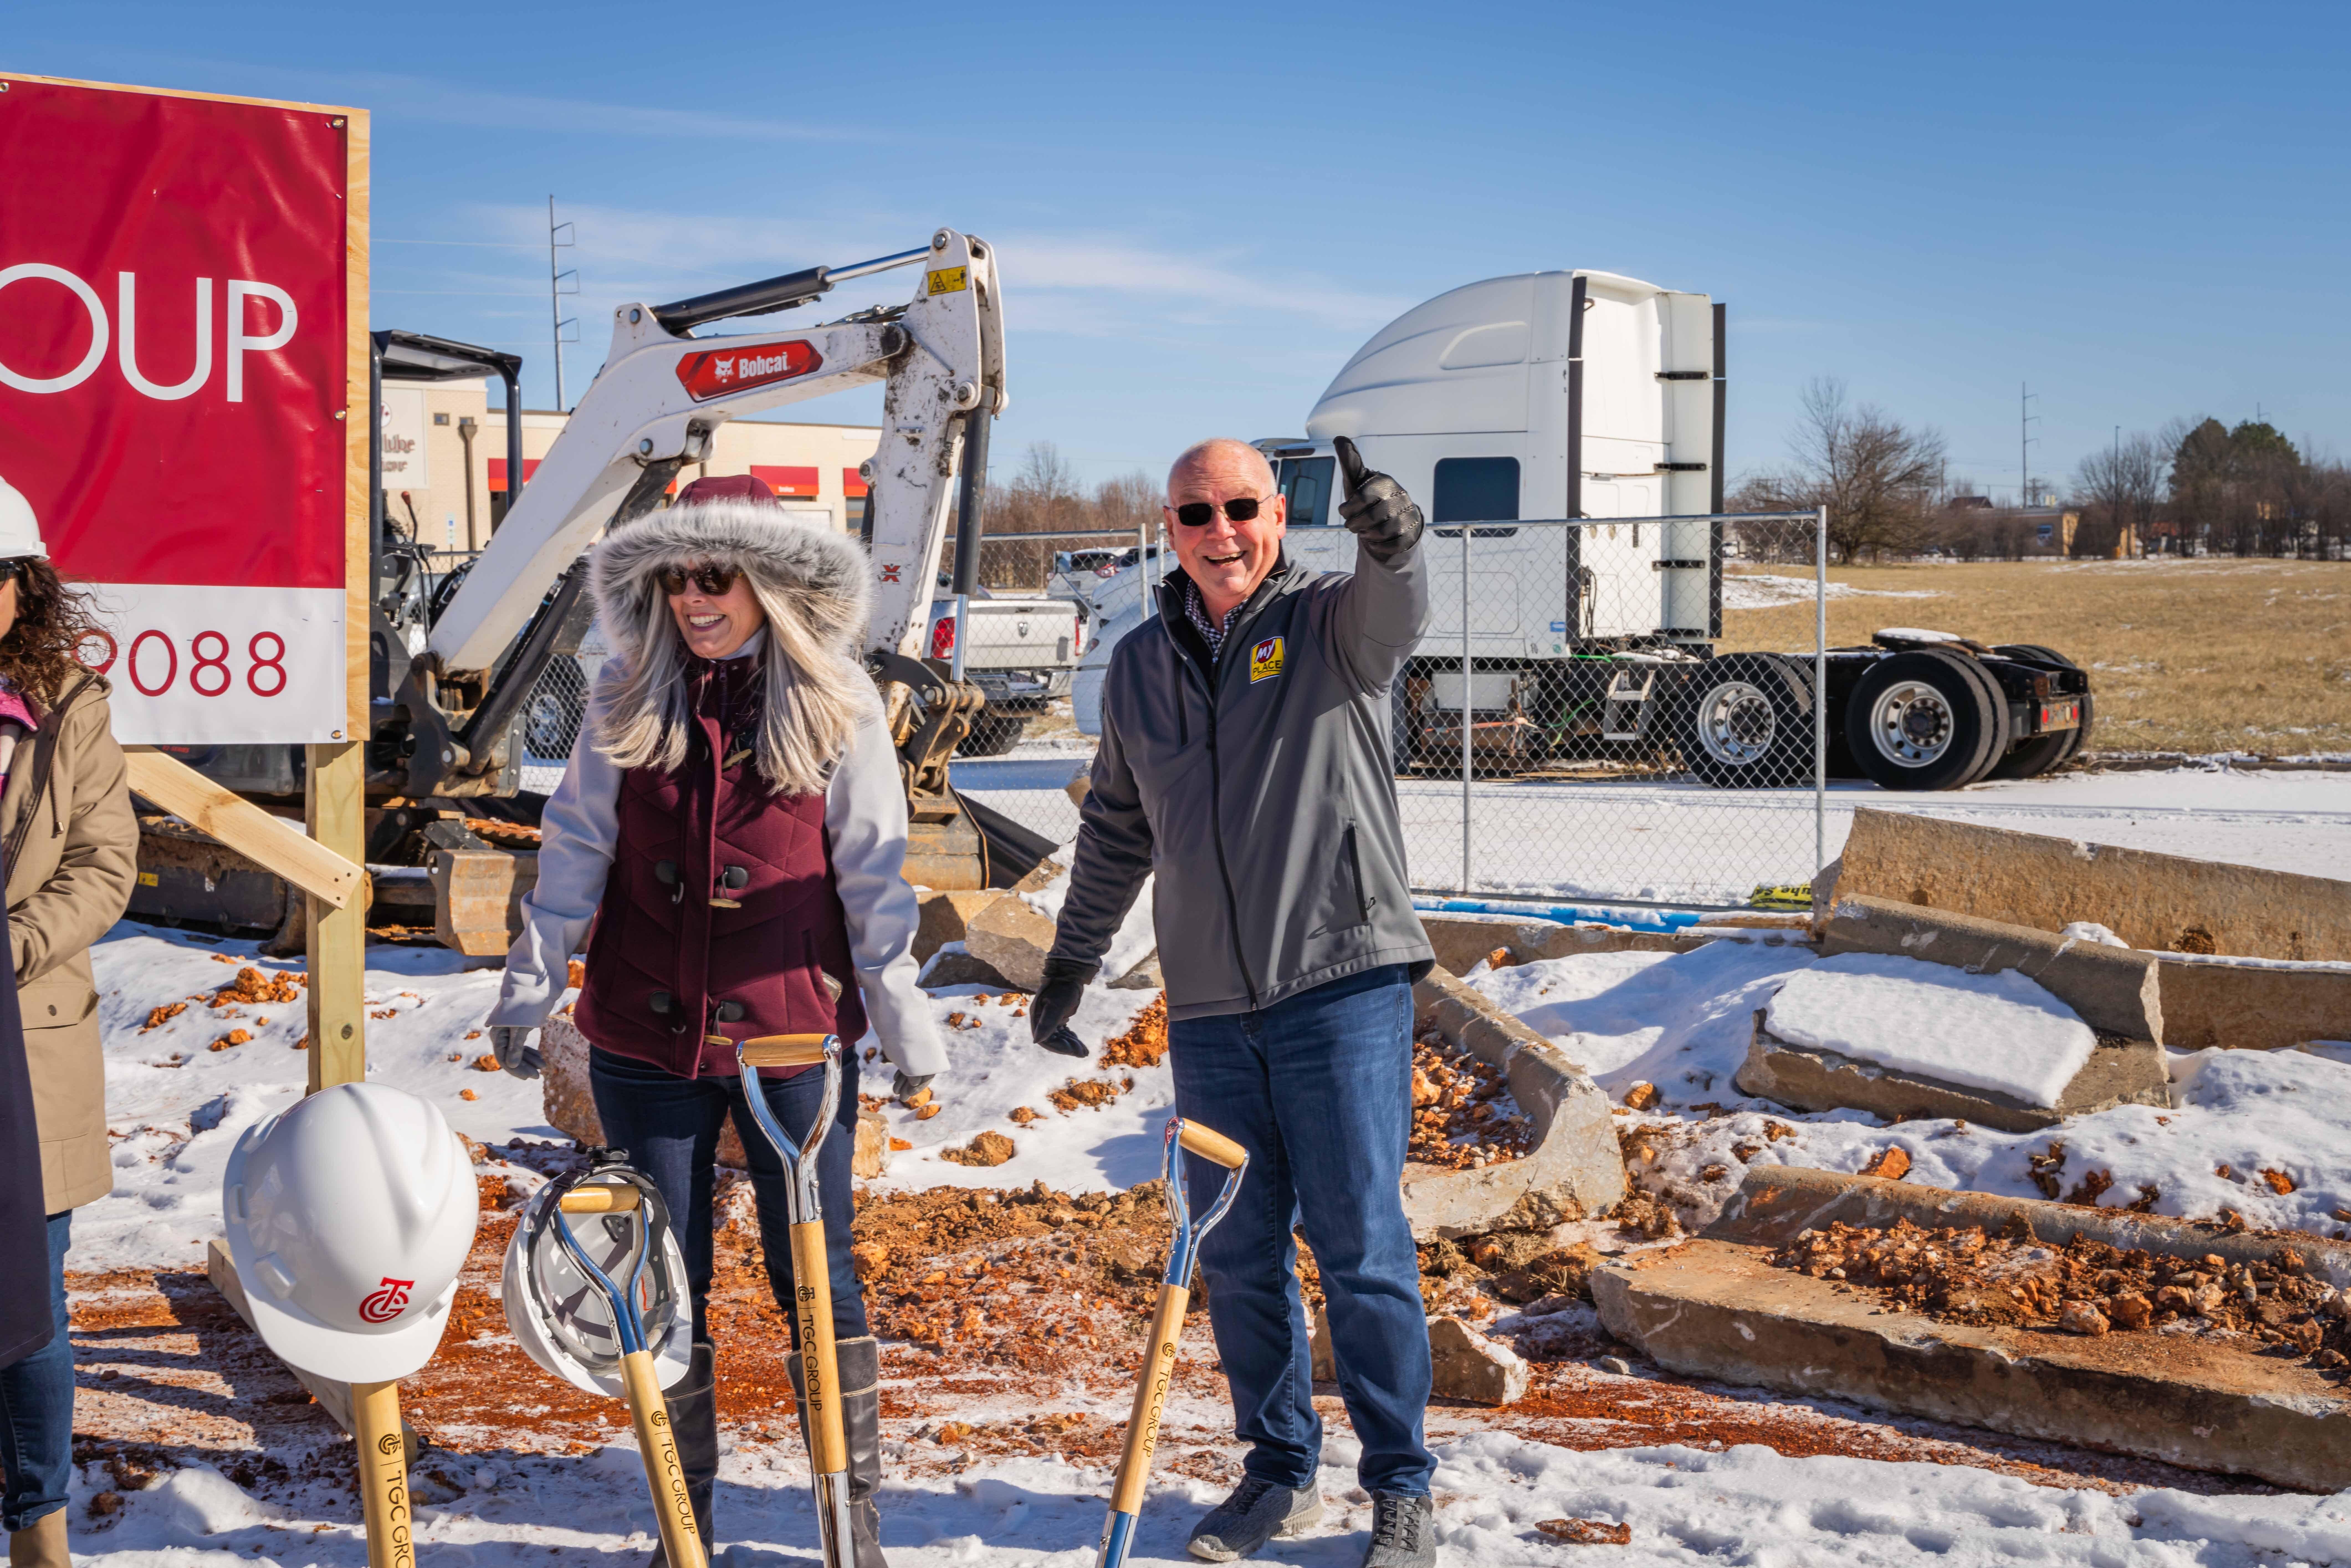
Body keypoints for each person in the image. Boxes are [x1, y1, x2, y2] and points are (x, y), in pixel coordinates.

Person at [485, 475, 946, 1568]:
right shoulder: (626, 692)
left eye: (718, 574)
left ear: (770, 580)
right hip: (645, 1037)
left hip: (790, 1037)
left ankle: (850, 1518)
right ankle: (682, 1521)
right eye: (677, 576)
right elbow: (577, 842)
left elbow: (874, 869)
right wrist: (531, 979)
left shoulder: (835, 698)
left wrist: (900, 1011)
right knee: (663, 1279)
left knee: (815, 1274)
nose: (695, 596)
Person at [1033, 438, 1440, 1567]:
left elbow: (1398, 609)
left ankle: (1402, 1486)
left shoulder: (1328, 623)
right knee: (1236, 1250)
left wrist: (1396, 541)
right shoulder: (1138, 665)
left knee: (1360, 1243)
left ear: (1277, 515)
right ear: (1169, 527)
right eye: (1197, 514)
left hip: (1341, 982)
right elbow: (1117, 827)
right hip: (1211, 1006)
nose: (1222, 533)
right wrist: (1072, 959)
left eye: (1243, 508)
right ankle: (1278, 1470)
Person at [0, 476, 139, 1568]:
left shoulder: (66, 704)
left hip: (27, 1033)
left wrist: (13, 942)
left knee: (27, 1300)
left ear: (24, 586)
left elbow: (104, 860)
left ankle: (39, 1526)